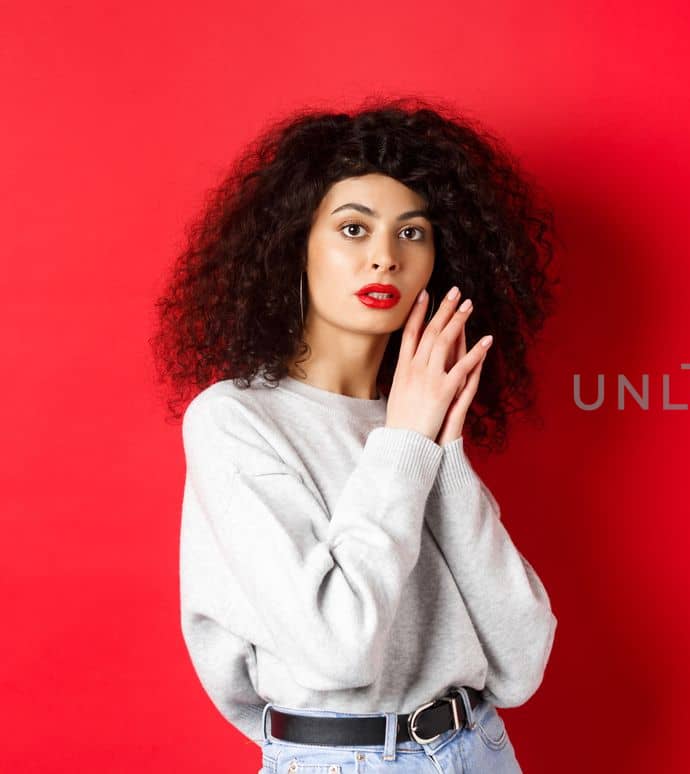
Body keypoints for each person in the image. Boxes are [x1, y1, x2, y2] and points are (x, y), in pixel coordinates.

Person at [150, 97, 560, 773]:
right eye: (352, 228)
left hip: (480, 749)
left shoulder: (416, 421)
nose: (384, 259)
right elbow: (338, 649)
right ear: (295, 246)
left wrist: (442, 452)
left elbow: (521, 664)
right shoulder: (236, 420)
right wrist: (406, 445)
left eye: (412, 233)